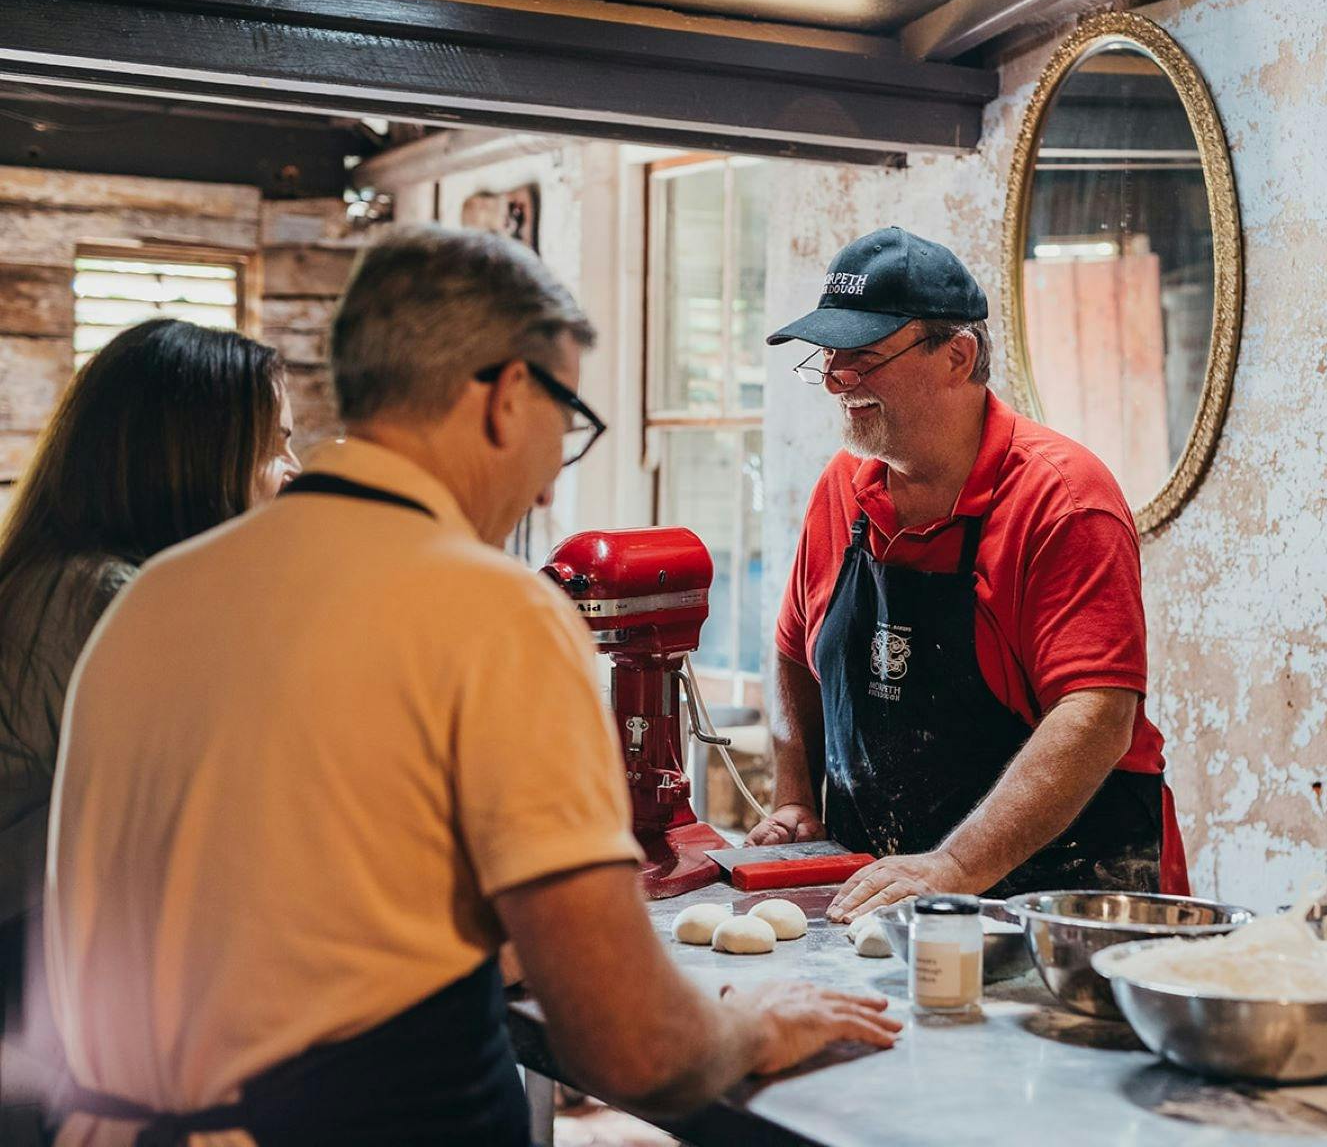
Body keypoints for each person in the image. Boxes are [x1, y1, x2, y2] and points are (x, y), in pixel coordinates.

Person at [45, 226, 897, 1147]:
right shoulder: (487, 611)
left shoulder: (156, 595)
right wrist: (759, 1023)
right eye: (565, 422)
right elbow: (636, 1044)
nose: (543, 492)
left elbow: (277, 909)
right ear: (504, 398)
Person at [748, 226, 1191, 922]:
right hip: (883, 900)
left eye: (861, 357)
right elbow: (789, 651)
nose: (835, 379)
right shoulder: (841, 486)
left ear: (957, 356)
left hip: (1060, 905)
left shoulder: (1063, 500)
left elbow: (1097, 716)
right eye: (827, 356)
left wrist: (954, 867)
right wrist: (794, 795)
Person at [0, 319, 299, 1144]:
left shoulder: (57, 573)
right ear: (192, 458)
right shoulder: (113, 599)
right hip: (47, 1024)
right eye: (275, 445)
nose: (294, 471)